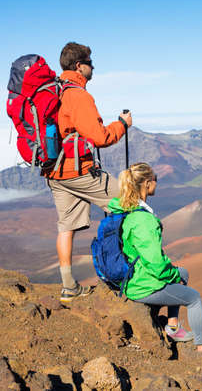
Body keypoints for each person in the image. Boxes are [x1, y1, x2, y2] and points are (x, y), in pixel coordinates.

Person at [45, 42, 132, 303]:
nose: (93, 67)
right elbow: (100, 137)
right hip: (78, 171)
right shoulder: (77, 95)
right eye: (90, 63)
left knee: (66, 227)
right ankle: (131, 272)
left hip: (54, 172)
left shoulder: (53, 91)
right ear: (79, 66)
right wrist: (122, 125)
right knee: (130, 200)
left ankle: (68, 286)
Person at [107, 162, 202, 355]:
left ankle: (172, 326)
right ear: (146, 183)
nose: (156, 183)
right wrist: (171, 275)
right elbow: (155, 263)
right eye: (155, 180)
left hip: (133, 276)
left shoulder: (127, 210)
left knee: (182, 272)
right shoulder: (143, 220)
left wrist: (174, 273)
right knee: (194, 298)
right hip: (142, 285)